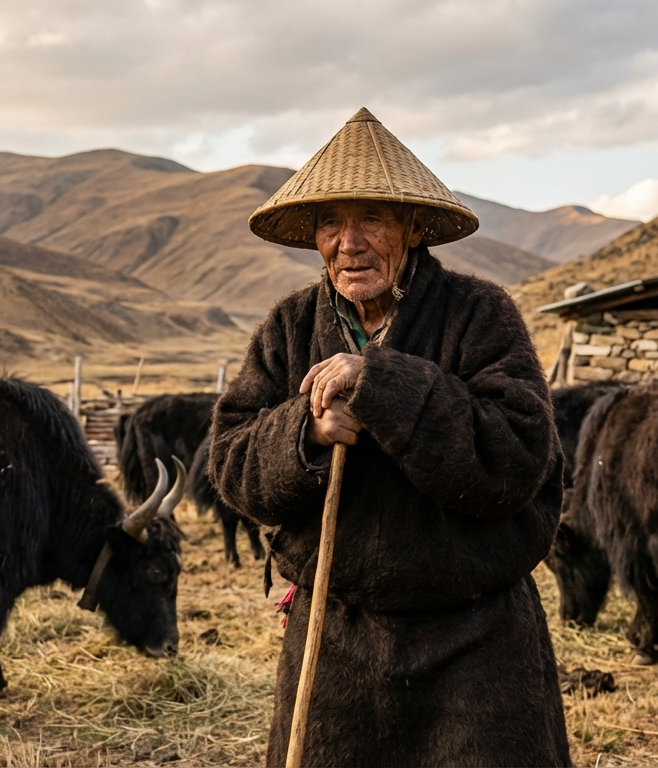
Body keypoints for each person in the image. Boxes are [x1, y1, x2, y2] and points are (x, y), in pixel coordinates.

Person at [209, 108, 571, 767]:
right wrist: (304, 433)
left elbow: (517, 457)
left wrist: (382, 382)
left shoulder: (479, 314)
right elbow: (232, 462)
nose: (349, 243)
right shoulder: (290, 326)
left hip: (475, 642)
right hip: (335, 641)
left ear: (414, 227)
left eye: (371, 219)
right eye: (330, 222)